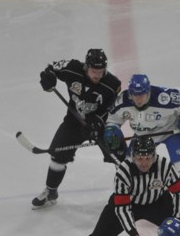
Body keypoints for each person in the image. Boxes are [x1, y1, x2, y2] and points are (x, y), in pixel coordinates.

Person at [32, 48, 122, 209]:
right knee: (57, 156)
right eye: (94, 71)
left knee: (120, 157)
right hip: (73, 122)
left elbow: (112, 111)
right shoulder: (72, 68)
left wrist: (98, 122)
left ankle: (127, 194)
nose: (97, 75)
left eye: (100, 71)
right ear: (86, 67)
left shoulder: (112, 85)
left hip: (102, 125)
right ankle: (51, 191)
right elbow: (51, 68)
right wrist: (49, 77)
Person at [76, 135, 180, 236]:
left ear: (154, 156)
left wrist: (177, 219)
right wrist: (133, 234)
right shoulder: (123, 171)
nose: (144, 163)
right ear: (133, 157)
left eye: (148, 158)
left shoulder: (164, 166)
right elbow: (122, 207)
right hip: (129, 204)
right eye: (140, 158)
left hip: (158, 203)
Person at [103, 73, 180, 210]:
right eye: (135, 95)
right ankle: (137, 199)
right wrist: (111, 130)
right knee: (127, 168)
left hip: (172, 131)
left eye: (142, 94)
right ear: (130, 93)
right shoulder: (122, 102)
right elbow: (113, 120)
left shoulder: (164, 98)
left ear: (149, 92)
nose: (139, 99)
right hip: (143, 136)